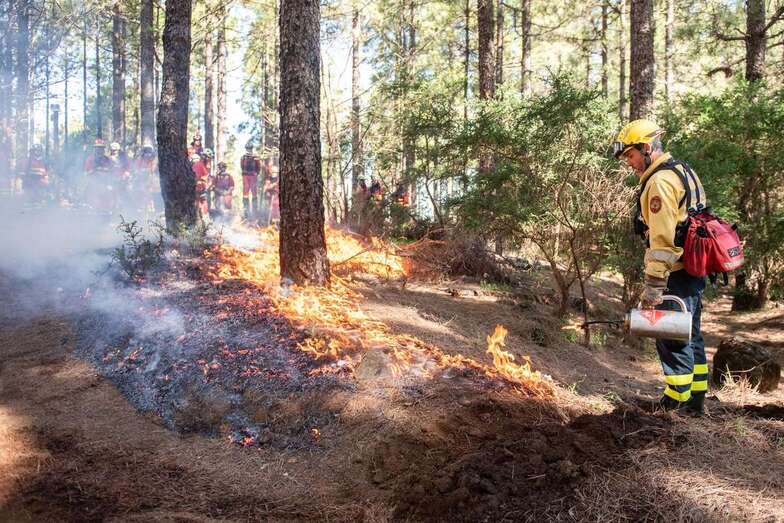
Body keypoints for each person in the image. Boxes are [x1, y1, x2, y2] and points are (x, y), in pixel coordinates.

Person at [614, 119, 708, 416]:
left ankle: (676, 403)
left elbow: (663, 239)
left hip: (674, 271)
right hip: (692, 268)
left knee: (672, 336)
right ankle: (694, 400)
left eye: (631, 155)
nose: (629, 163)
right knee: (690, 331)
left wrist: (654, 284)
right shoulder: (682, 170)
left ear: (647, 148)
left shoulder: (659, 183)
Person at [133, 144, 160, 213]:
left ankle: (153, 209)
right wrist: (140, 172)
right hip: (142, 180)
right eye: (146, 151)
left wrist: (151, 174)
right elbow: (135, 168)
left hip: (152, 181)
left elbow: (155, 170)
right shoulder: (140, 160)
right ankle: (141, 208)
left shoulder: (155, 160)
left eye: (149, 152)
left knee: (152, 195)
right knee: (140, 193)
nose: (147, 154)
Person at [240, 142, 262, 220]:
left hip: (253, 176)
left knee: (254, 193)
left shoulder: (255, 157)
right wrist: (244, 174)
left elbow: (258, 167)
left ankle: (254, 212)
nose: (248, 150)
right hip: (246, 176)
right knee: (245, 192)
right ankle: (246, 212)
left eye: (250, 149)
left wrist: (256, 173)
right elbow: (242, 166)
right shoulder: (243, 157)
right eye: (247, 149)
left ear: (252, 149)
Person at [191, 153, 211, 219]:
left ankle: (200, 216)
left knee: (198, 202)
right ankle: (204, 216)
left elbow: (205, 176)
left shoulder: (192, 166)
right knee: (202, 202)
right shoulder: (201, 164)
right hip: (201, 187)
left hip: (197, 188)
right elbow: (206, 175)